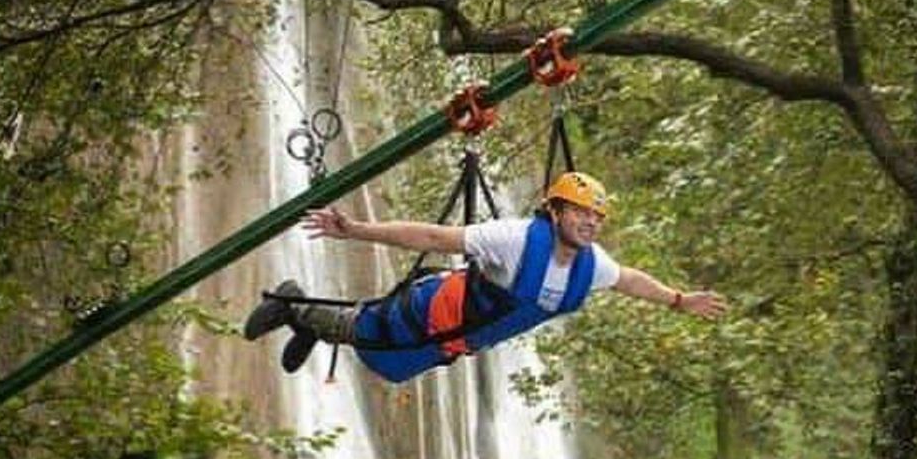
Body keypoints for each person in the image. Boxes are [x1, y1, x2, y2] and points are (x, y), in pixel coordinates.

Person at [244, 171, 727, 381]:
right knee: (369, 334)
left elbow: (630, 280)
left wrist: (678, 300)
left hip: (457, 340)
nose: (590, 223)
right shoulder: (515, 238)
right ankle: (293, 305)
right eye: (581, 212)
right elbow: (436, 239)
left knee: (386, 365)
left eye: (597, 218)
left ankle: (306, 323)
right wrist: (355, 231)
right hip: (432, 310)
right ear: (555, 211)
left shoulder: (591, 265)